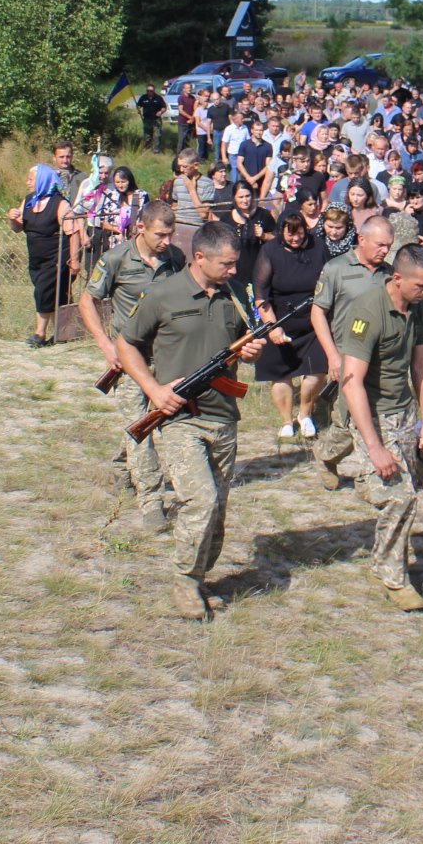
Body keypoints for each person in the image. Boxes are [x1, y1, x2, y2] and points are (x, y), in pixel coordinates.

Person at [116, 221, 271, 621]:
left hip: (224, 415)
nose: (234, 270)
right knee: (200, 501)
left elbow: (247, 340)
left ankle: (200, 578)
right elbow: (126, 343)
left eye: (235, 263)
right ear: (199, 257)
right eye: (227, 264)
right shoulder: (163, 294)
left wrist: (250, 352)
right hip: (181, 418)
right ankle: (184, 582)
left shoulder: (236, 295)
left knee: (217, 510)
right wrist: (153, 389)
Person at [340, 243, 423, 611]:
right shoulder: (367, 311)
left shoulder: (418, 306)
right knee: (401, 497)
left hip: (404, 414)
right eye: (420, 286)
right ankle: (392, 577)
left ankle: (386, 558)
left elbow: (421, 364)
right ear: (397, 279)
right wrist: (374, 446)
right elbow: (351, 383)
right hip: (371, 414)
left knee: (408, 491)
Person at [78, 199, 186, 535]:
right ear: (140, 228)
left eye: (170, 234)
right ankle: (151, 500)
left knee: (156, 420)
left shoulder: (175, 259)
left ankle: (122, 466)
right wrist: (105, 343)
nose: (166, 241)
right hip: (130, 359)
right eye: (160, 235)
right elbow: (87, 300)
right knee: (140, 426)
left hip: (165, 357)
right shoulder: (116, 260)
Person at [308, 215, 394, 491]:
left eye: (389, 246)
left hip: (381, 357)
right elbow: (318, 313)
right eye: (380, 245)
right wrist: (333, 355)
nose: (385, 251)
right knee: (349, 419)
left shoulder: (389, 272)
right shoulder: (336, 268)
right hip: (349, 355)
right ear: (361, 239)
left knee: (379, 416)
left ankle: (375, 478)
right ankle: (326, 454)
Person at [252, 212, 329, 441]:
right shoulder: (270, 251)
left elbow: (330, 279)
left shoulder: (318, 247)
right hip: (278, 318)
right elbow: (260, 295)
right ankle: (286, 420)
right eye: (290, 234)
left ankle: (305, 414)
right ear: (281, 232)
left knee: (317, 369)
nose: (295, 238)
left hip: (313, 320)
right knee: (281, 374)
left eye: (300, 233)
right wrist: (273, 327)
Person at [8, 164, 69, 348]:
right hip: (36, 258)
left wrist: (72, 259)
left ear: (42, 180)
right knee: (51, 295)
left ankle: (39, 334)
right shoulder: (29, 200)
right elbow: (18, 228)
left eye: (31, 179)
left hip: (56, 257)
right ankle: (61, 333)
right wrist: (12, 217)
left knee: (42, 292)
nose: (27, 182)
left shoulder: (60, 203)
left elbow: (71, 231)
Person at [228, 181, 277, 272]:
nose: (245, 200)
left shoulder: (263, 214)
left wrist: (264, 236)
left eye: (247, 196)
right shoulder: (226, 219)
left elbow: (278, 239)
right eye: (241, 197)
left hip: (260, 268)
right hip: (234, 270)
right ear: (234, 198)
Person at [53, 141, 85, 206]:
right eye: (61, 157)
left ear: (72, 156)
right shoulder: (48, 177)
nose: (65, 160)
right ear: (54, 158)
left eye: (68, 156)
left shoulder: (82, 177)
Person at [138, 85, 168, 152]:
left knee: (157, 135)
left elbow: (164, 107)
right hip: (147, 119)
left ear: (154, 91)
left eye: (151, 91)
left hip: (156, 119)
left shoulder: (158, 98)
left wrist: (161, 112)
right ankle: (147, 149)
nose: (149, 92)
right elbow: (139, 105)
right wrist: (138, 109)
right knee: (147, 135)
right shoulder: (143, 97)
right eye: (148, 91)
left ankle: (156, 150)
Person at [175, 87, 198, 155]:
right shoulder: (181, 98)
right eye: (187, 88)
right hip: (183, 121)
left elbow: (195, 108)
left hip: (191, 122)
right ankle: (179, 155)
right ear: (183, 89)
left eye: (190, 88)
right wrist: (190, 117)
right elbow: (181, 110)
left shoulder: (192, 98)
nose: (189, 89)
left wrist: (193, 118)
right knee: (181, 139)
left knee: (188, 139)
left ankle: (187, 154)